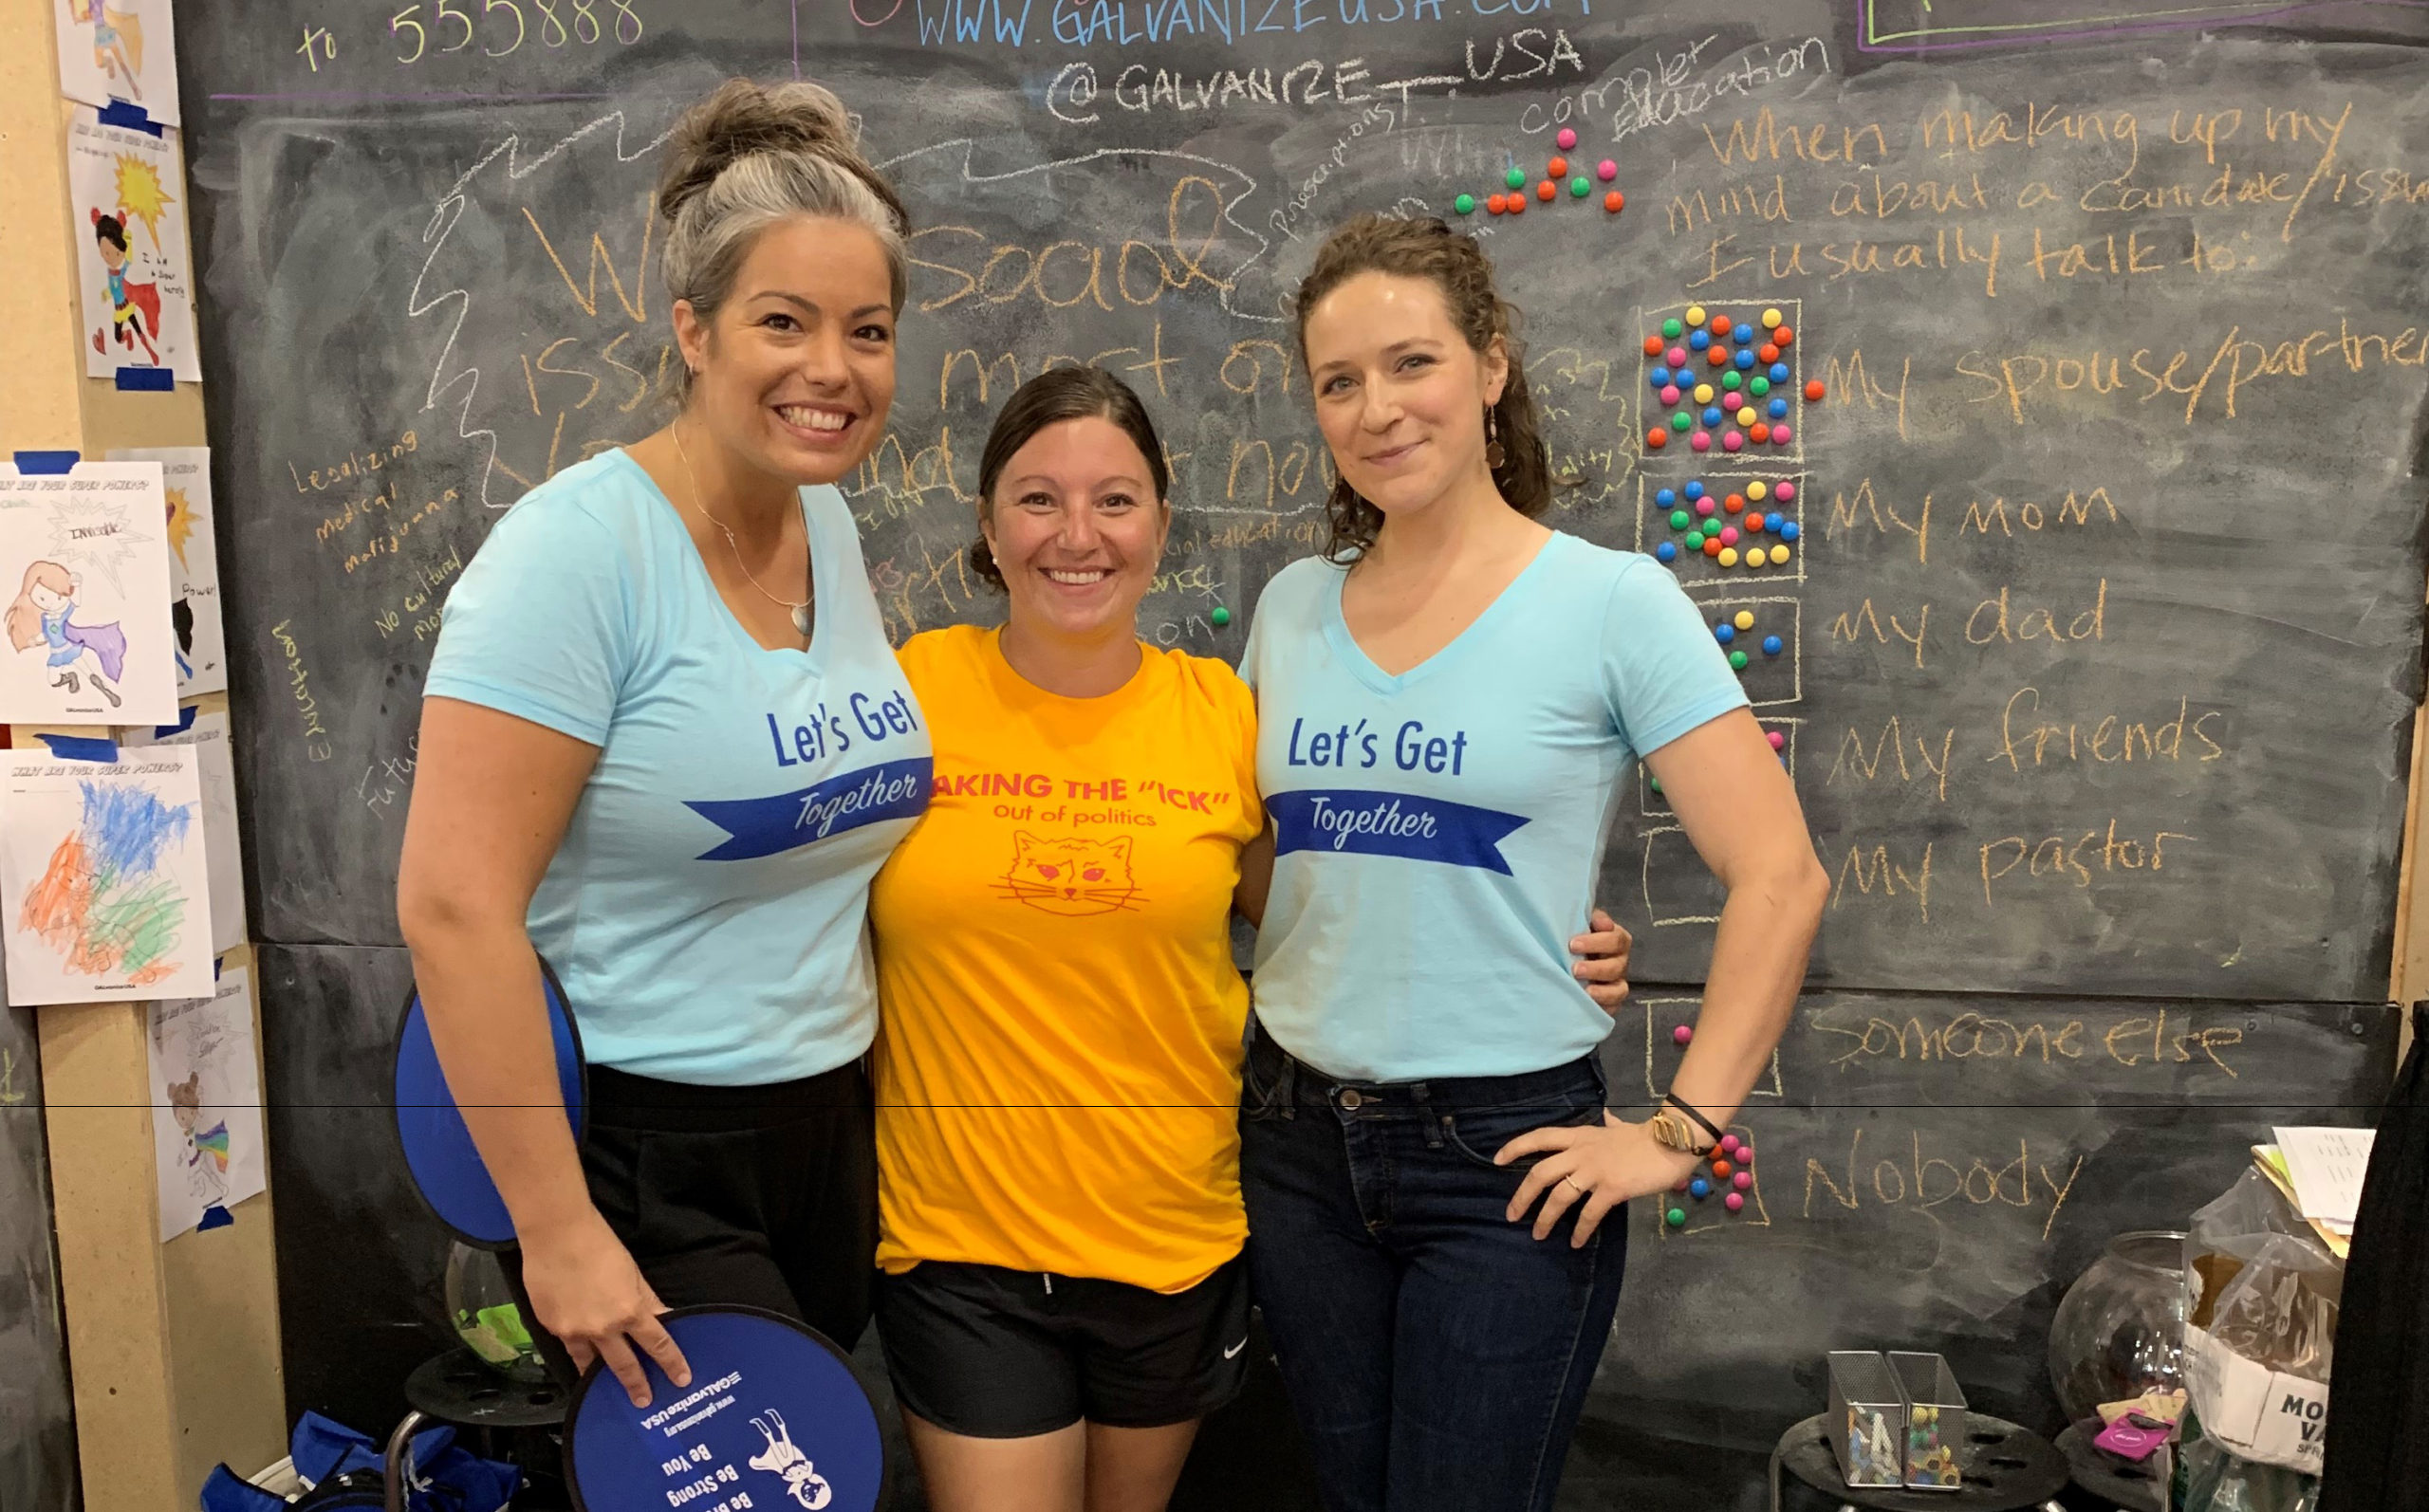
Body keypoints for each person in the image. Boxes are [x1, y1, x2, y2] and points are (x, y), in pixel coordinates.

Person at [863, 367, 1641, 1512]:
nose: (1076, 535)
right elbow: (790, 884)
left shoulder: (1227, 718)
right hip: (957, 1244)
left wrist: (1531, 934)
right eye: (1037, 499)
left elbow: (1329, 906)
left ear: (1161, 526)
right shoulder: (906, 697)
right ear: (986, 527)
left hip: (1176, 1234)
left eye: (1115, 500)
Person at [1236, 214, 1831, 1512]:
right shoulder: (1288, 607)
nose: (1378, 408)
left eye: (1413, 363)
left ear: (1492, 364)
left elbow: (1781, 875)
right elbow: (1275, 866)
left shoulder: (1611, 602)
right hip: (1293, 1145)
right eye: (1339, 381)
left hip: (1505, 1160)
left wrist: (1680, 1132)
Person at [397, 78, 925, 1409]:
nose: (833, 370)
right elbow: (454, 906)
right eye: (783, 322)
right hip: (643, 1149)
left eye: (869, 330)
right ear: (693, 330)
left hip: (822, 1131)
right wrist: (561, 1226)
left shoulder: (829, 527)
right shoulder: (575, 556)